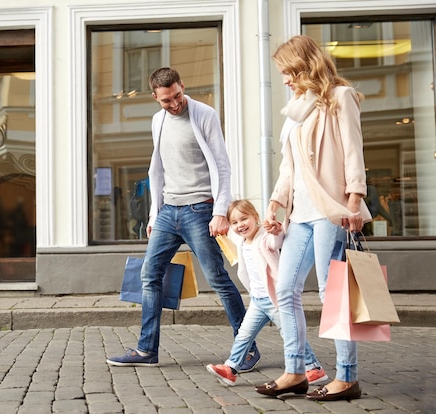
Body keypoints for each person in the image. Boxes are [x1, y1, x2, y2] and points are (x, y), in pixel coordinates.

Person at [107, 67, 260, 370]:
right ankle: (146, 350)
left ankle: (247, 349)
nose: (174, 104)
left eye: (177, 96)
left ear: (182, 86)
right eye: (166, 100)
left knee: (217, 279)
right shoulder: (158, 120)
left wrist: (220, 212)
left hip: (199, 211)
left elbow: (222, 166)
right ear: (155, 97)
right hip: (168, 212)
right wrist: (154, 213)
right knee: (149, 276)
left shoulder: (204, 114)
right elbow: (158, 168)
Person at [254, 35, 372, 401]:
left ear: (305, 66)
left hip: (329, 210)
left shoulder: (340, 97)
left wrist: (353, 202)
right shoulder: (297, 108)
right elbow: (289, 165)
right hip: (299, 214)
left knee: (331, 292)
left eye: (288, 72)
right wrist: (275, 201)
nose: (285, 80)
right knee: (285, 290)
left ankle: (347, 377)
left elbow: (354, 152)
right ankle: (295, 371)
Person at [206, 199, 328, 386]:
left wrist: (275, 230)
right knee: (244, 334)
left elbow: (275, 241)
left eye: (244, 219)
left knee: (290, 332)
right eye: (235, 222)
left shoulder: (264, 237)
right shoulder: (242, 242)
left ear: (256, 217)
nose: (240, 225)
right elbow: (230, 236)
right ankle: (230, 369)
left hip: (275, 298)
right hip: (257, 300)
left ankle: (313, 368)